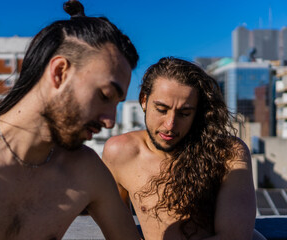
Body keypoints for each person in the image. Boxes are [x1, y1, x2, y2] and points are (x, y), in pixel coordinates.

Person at [0, 1, 142, 239]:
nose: (110, 121)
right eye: (105, 96)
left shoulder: (86, 170)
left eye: (117, 104)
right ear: (59, 72)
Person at [103, 57, 265, 240]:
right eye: (162, 109)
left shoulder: (228, 153)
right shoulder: (119, 152)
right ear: (143, 100)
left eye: (184, 113)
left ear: (198, 112)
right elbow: (119, 233)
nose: (170, 124)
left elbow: (233, 237)